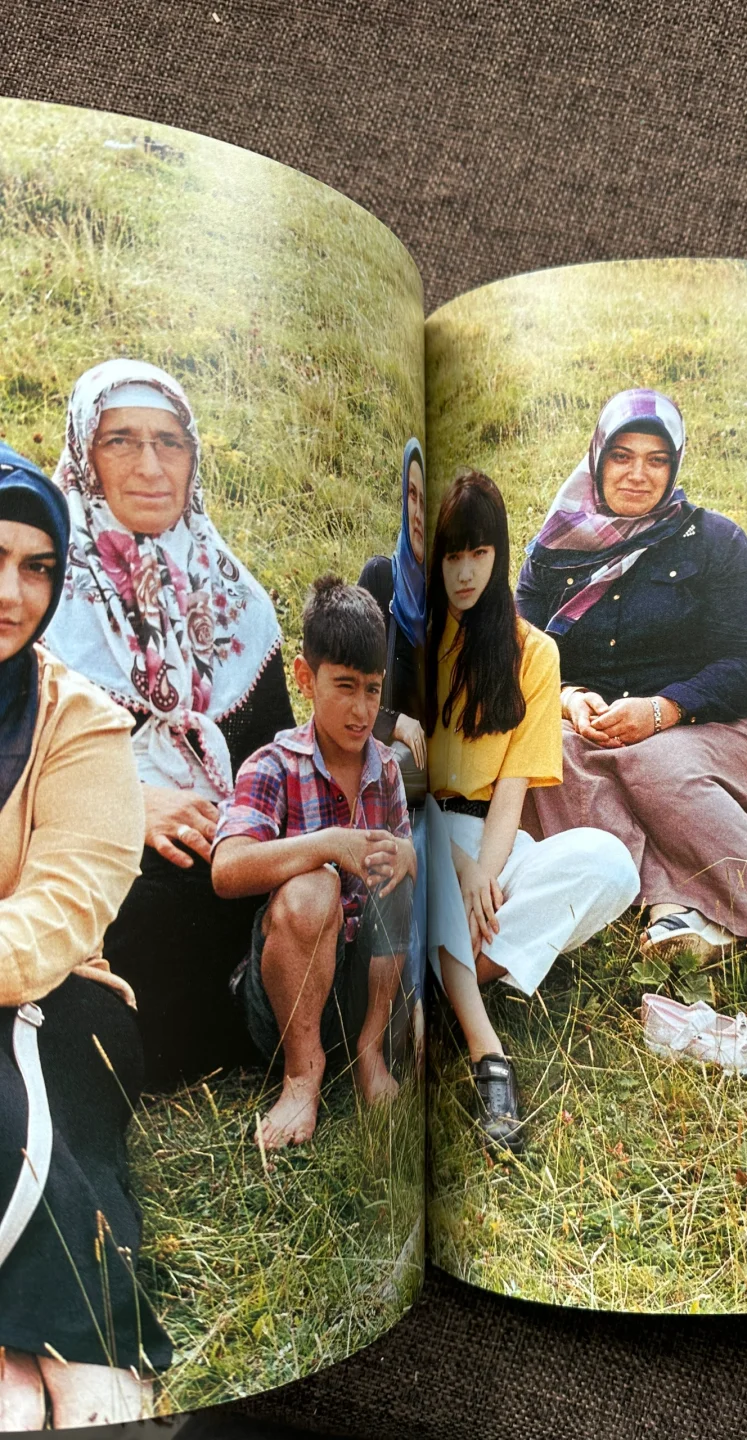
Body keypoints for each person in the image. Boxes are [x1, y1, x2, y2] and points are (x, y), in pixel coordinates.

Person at [515, 387, 747, 1029]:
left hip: (725, 733)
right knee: (547, 761)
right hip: (598, 736)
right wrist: (567, 697)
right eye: (622, 456)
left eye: (656, 460)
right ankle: (678, 906)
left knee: (652, 764)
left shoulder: (716, 543)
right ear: (597, 459)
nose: (637, 473)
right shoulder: (554, 552)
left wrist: (662, 710)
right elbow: (515, 650)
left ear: (676, 465)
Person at [46, 359, 295, 1087]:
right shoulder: (40, 584)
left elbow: (271, 751)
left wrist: (243, 830)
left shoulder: (234, 596)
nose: (151, 466)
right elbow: (23, 752)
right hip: (99, 836)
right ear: (84, 458)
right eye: (121, 440)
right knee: (137, 917)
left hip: (222, 845)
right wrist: (132, 803)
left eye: (170, 442)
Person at [0, 446, 171, 1430]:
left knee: (52, 1111)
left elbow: (63, 912)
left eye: (38, 568)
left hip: (68, 998)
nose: (11, 592)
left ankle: (71, 1346)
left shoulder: (83, 726)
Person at [427, 471, 639, 1153]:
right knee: (428, 866)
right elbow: (398, 786)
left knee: (610, 865)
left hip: (496, 837)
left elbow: (514, 786)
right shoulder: (416, 636)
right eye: (451, 555)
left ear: (500, 553)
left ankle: (442, 983)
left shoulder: (533, 652)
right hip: (421, 834)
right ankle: (485, 1049)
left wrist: (484, 876)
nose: (464, 572)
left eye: (478, 554)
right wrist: (457, 868)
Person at [213, 577, 416, 1149]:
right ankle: (302, 1076)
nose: (360, 710)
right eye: (344, 686)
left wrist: (407, 855)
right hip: (286, 1002)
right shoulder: (272, 764)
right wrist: (327, 845)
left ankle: (370, 1054)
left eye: (373, 691)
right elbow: (226, 870)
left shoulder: (387, 769)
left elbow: (405, 873)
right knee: (314, 888)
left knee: (397, 870)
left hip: (360, 995)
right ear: (305, 678)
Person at [359, 439, 428, 1031]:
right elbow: (356, 687)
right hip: (392, 763)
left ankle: (418, 1003)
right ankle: (399, 1013)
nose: (419, 512)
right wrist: (396, 719)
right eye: (412, 495)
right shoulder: (383, 578)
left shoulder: (477, 593)